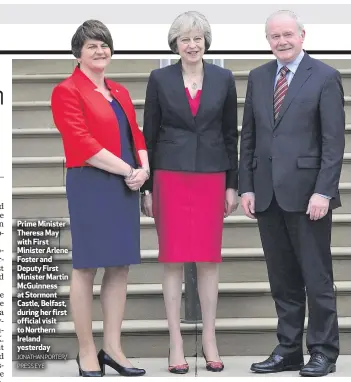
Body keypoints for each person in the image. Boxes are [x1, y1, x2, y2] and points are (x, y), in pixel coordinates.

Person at [239, 10, 345, 377]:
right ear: (267, 40)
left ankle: (323, 351)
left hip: (308, 196)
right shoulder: (258, 76)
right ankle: (288, 350)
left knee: (316, 278)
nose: (281, 41)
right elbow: (248, 137)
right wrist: (247, 185)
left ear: (302, 35)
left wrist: (324, 192)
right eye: (274, 36)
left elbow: (333, 142)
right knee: (282, 279)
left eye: (287, 34)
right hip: (266, 194)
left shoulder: (326, 77)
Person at [140, 10, 238, 374]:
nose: (192, 44)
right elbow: (149, 135)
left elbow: (231, 134)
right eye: (185, 39)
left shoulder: (224, 78)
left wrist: (232, 184)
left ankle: (209, 338)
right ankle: (176, 341)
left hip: (212, 175)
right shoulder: (159, 78)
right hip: (169, 175)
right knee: (173, 259)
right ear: (175, 45)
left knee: (209, 259)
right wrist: (147, 187)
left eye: (197, 38)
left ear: (205, 42)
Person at [51, 20, 149, 377]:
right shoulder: (66, 90)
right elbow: (82, 144)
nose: (100, 50)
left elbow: (136, 133)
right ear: (78, 53)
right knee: (86, 266)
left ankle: (113, 347)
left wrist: (144, 170)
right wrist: (128, 170)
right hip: (91, 183)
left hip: (125, 184)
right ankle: (87, 351)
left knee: (120, 265)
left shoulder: (119, 91)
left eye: (104, 44)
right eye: (92, 45)